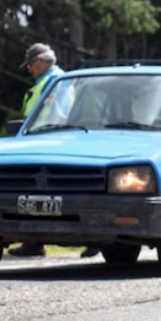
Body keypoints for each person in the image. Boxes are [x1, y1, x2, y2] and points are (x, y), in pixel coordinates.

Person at [7, 44, 100, 259]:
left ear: (41, 61)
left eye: (31, 64)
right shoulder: (49, 82)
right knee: (35, 196)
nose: (29, 69)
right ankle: (34, 241)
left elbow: (57, 114)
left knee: (45, 193)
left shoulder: (55, 82)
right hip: (38, 141)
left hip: (48, 142)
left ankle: (93, 238)